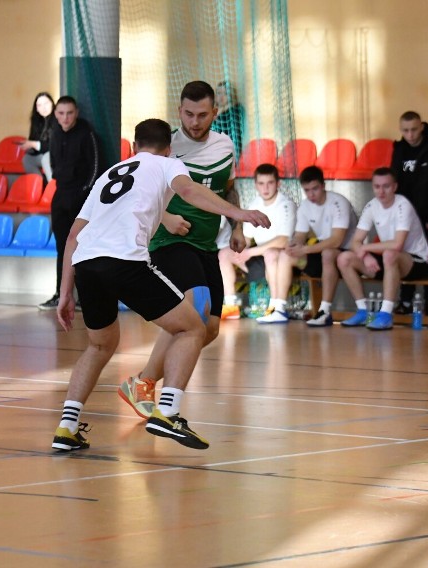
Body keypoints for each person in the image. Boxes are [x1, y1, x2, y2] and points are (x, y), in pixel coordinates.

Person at [51, 118, 270, 452]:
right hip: (124, 260)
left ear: (135, 146)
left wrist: (66, 292)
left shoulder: (110, 173)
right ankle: (168, 412)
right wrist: (238, 214)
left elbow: (72, 235)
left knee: (99, 345)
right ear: (168, 147)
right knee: (193, 328)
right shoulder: (169, 163)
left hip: (86, 264)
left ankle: (66, 428)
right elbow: (188, 190)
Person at [117, 80, 243, 420]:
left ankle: (142, 383)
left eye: (202, 115)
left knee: (210, 327)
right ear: (179, 112)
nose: (195, 121)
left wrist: (238, 227)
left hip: (206, 245)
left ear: (215, 113)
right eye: (188, 114)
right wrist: (167, 218)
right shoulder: (166, 148)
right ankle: (168, 403)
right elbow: (140, 196)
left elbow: (228, 190)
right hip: (169, 242)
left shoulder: (225, 146)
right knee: (195, 311)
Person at [336, 167, 428, 331]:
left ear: (395, 187)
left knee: (390, 253)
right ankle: (363, 310)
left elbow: (398, 244)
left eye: (386, 186)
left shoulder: (403, 205)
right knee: (344, 258)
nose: (381, 191)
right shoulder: (371, 206)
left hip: (416, 261)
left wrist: (366, 247)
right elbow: (356, 241)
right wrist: (366, 256)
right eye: (377, 187)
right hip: (388, 259)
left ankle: (386, 314)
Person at [273, 165, 357, 326]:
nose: (311, 194)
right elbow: (300, 235)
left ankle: (324, 311)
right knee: (286, 255)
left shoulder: (339, 203)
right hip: (321, 252)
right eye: (307, 190)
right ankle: (280, 308)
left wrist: (305, 249)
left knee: (327, 253)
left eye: (315, 189)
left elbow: (337, 240)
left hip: (345, 254)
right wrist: (294, 245)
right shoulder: (305, 206)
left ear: (323, 185)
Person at [38, 95, 100, 310]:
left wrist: (83, 193)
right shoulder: (54, 133)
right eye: (61, 113)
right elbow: (54, 164)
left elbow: (94, 169)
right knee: (61, 248)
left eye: (69, 113)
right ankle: (60, 294)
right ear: (56, 114)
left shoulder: (86, 133)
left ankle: (85, 296)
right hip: (60, 196)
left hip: (80, 198)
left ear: (77, 113)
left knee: (83, 247)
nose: (65, 118)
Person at [218, 163, 296, 322]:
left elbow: (283, 240)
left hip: (286, 258)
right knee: (225, 253)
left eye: (270, 183)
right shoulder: (254, 205)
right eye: (261, 183)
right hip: (259, 257)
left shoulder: (286, 205)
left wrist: (250, 252)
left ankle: (276, 308)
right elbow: (247, 238)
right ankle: (230, 305)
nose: (265, 188)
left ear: (278, 183)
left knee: (271, 253)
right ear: (255, 185)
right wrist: (240, 251)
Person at [390, 111, 428, 316]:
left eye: (414, 129)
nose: (411, 134)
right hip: (403, 217)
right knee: (404, 256)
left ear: (421, 127)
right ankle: (405, 301)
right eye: (405, 130)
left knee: (426, 258)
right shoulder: (398, 150)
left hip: (425, 216)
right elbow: (392, 183)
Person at [19, 92, 54, 181]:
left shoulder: (58, 119)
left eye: (46, 103)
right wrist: (29, 146)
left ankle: (53, 187)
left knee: (46, 158)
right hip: (42, 154)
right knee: (27, 159)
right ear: (36, 109)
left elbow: (54, 146)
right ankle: (39, 185)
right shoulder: (36, 121)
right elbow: (33, 139)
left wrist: (35, 144)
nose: (44, 108)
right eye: (39, 105)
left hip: (56, 155)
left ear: (52, 104)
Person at [212, 80, 245, 159]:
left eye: (225, 93)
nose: (221, 97)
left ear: (231, 95)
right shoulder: (212, 111)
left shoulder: (236, 109)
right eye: (219, 93)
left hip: (230, 152)